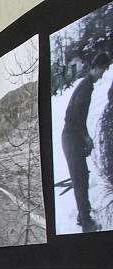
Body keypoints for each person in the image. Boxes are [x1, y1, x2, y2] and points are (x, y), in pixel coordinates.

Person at [61, 52, 111, 232]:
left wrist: (84, 139)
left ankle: (82, 215)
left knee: (82, 176)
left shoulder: (86, 85)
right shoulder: (86, 87)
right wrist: (87, 139)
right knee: (80, 179)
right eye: (103, 70)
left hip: (72, 136)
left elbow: (78, 119)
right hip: (70, 136)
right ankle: (86, 224)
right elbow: (75, 118)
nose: (103, 74)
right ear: (96, 68)